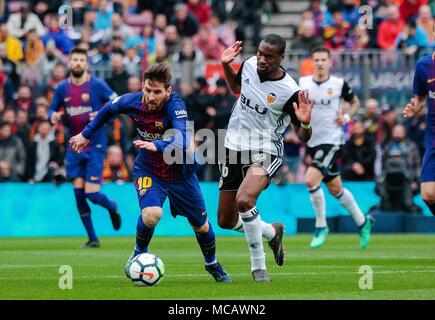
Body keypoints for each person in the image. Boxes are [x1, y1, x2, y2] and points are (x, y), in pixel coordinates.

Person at [69, 63, 232, 283]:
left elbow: (183, 139)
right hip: (149, 170)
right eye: (147, 90)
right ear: (143, 86)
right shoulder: (132, 101)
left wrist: (159, 145)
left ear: (168, 91)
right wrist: (86, 134)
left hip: (180, 173)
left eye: (157, 92)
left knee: (201, 225)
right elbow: (108, 109)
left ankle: (212, 263)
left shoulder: (176, 105)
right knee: (151, 214)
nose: (151, 96)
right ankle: (138, 254)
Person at [219, 35, 313, 282]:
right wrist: (225, 66)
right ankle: (272, 232)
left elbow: (303, 137)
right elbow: (237, 89)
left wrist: (305, 121)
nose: (262, 59)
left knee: (245, 199)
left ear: (281, 58)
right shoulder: (249, 64)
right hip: (233, 145)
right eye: (260, 53)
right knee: (225, 221)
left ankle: (258, 267)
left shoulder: (290, 91)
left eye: (269, 56)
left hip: (265, 149)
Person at [299, 46, 372, 249]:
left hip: (332, 140)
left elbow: (355, 102)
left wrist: (347, 117)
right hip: (312, 141)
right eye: (317, 60)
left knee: (310, 179)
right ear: (312, 62)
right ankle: (362, 221)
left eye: (324, 60)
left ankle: (321, 226)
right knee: (335, 188)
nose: (320, 63)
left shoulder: (339, 84)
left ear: (330, 62)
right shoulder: (303, 83)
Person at [48, 47, 121, 248]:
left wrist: (101, 115)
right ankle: (93, 239)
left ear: (87, 64)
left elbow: (117, 103)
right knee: (79, 194)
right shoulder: (62, 88)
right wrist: (52, 116)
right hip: (74, 147)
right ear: (70, 63)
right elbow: (52, 109)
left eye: (82, 60)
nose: (78, 63)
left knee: (91, 193)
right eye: (75, 60)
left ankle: (111, 206)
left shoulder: (97, 85)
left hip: (95, 145)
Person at [403, 51, 435, 216]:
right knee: (428, 194)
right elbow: (420, 100)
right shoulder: (423, 66)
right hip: (433, 139)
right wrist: (414, 109)